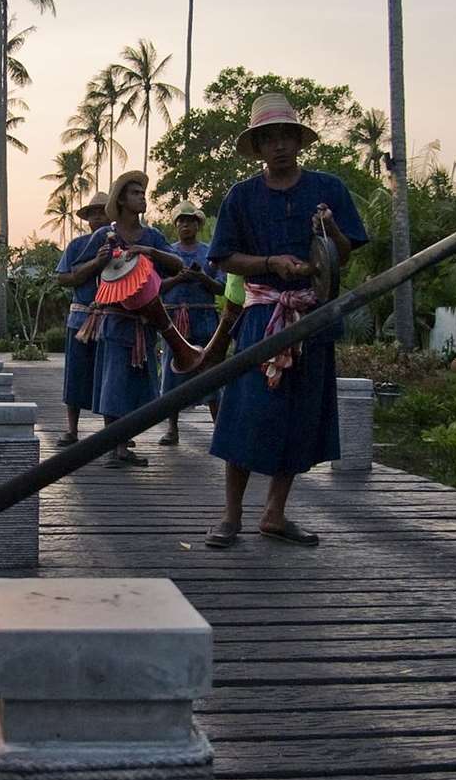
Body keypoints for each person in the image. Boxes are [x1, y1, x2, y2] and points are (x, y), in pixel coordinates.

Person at [206, 94, 367, 549]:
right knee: (247, 412)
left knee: (300, 414)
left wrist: (331, 231)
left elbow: (344, 252)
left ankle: (275, 512)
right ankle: (231, 514)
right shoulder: (242, 196)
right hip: (263, 317)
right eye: (269, 139)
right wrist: (271, 262)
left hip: (312, 317)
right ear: (257, 148)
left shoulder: (328, 189)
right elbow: (225, 258)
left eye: (286, 137)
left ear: (299, 141)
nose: (279, 146)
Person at [63, 171, 191, 467]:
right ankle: (115, 448)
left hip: (145, 321)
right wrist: (100, 261)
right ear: (121, 199)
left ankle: (122, 445)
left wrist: (149, 251)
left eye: (142, 193)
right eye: (135, 193)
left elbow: (177, 264)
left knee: (137, 385)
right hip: (115, 319)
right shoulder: (103, 236)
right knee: (114, 383)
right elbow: (76, 271)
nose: (142, 197)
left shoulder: (153, 236)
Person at [52, 195, 112, 447]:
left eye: (102, 212)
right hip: (81, 318)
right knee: (76, 374)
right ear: (87, 220)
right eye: (93, 213)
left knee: (111, 377)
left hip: (112, 319)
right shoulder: (77, 247)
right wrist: (96, 263)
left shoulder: (124, 244)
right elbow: (63, 278)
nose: (97, 217)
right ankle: (72, 429)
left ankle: (115, 433)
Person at [158, 206, 220, 447]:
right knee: (172, 373)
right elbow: (157, 287)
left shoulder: (210, 254)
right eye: (181, 221)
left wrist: (202, 278)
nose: (186, 225)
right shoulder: (167, 254)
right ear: (176, 225)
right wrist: (178, 279)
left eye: (191, 221)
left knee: (211, 373)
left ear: (198, 225)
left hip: (204, 319)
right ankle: (172, 429)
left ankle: (219, 428)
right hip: (174, 322)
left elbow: (221, 287)